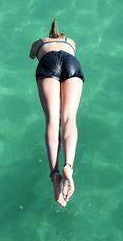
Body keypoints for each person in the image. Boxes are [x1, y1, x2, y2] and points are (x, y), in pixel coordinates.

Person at [29, 19, 84, 207]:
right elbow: (72, 49)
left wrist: (40, 47)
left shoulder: (40, 42)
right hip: (71, 63)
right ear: (63, 36)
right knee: (69, 119)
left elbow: (31, 55)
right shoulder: (71, 42)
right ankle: (68, 165)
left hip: (48, 62)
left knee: (52, 120)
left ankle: (54, 174)